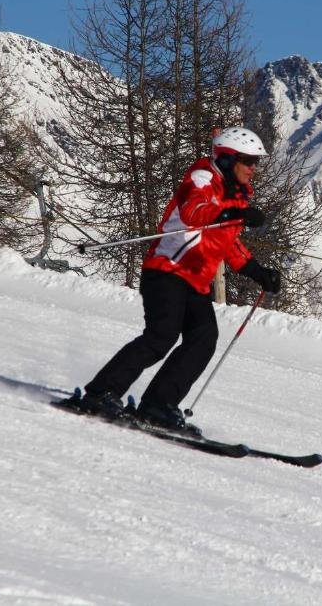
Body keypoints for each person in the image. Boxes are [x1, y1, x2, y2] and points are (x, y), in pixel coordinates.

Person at [72, 127, 282, 435]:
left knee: (203, 339)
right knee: (161, 336)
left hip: (195, 281)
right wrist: (237, 211)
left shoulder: (234, 193)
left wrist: (257, 271)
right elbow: (195, 212)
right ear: (227, 159)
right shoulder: (202, 177)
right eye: (248, 161)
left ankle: (158, 404)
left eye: (256, 162)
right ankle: (101, 392)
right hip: (167, 271)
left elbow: (227, 243)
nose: (254, 168)